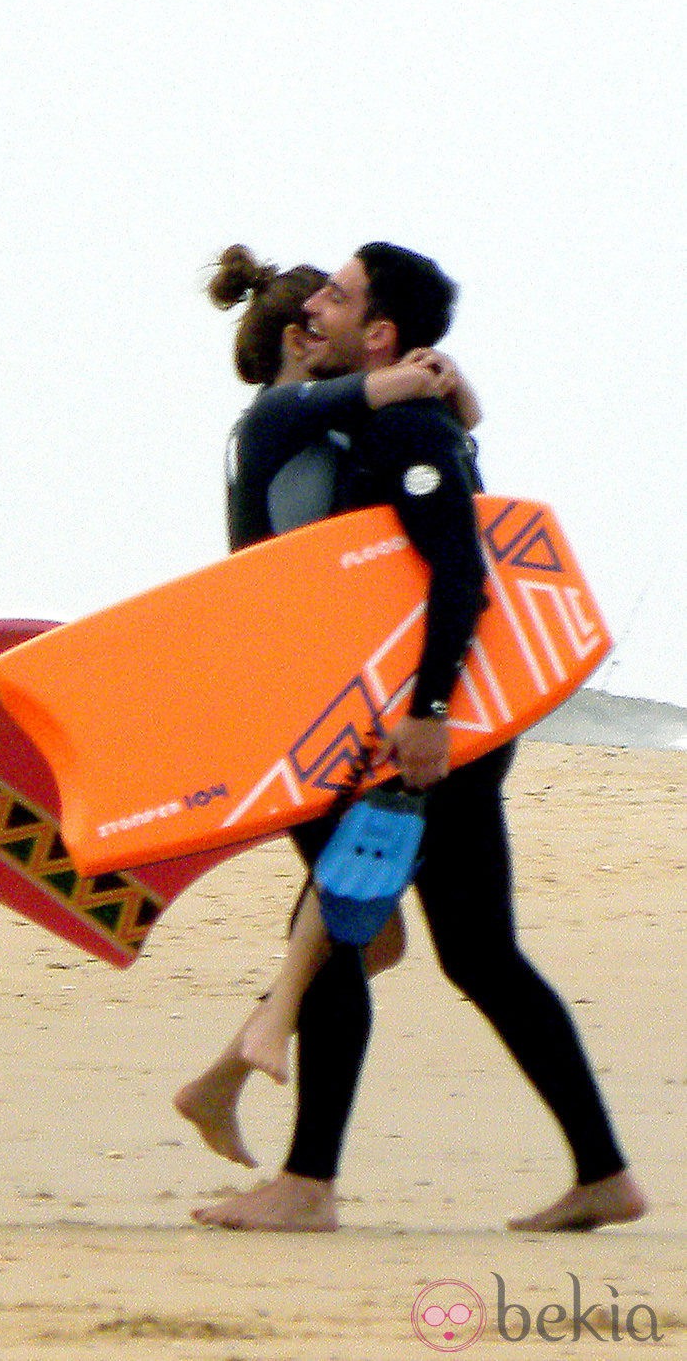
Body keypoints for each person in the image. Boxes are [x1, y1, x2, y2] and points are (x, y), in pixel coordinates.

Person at [187, 242, 647, 1233]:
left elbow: (460, 572)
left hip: (396, 729)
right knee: (472, 955)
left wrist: (428, 714)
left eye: (338, 297)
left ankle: (304, 1181)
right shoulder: (351, 421)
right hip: (394, 720)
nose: (318, 306)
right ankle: (601, 1172)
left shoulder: (394, 427)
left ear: (379, 330)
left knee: (349, 934)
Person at [174, 244, 481, 1168]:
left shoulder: (305, 429)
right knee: (355, 913)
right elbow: (381, 399)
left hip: (316, 687)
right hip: (297, 698)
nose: (330, 331)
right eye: (321, 317)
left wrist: (453, 397)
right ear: (302, 342)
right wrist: (430, 381)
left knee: (372, 927)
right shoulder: (275, 417)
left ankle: (228, 1073)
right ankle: (265, 1072)